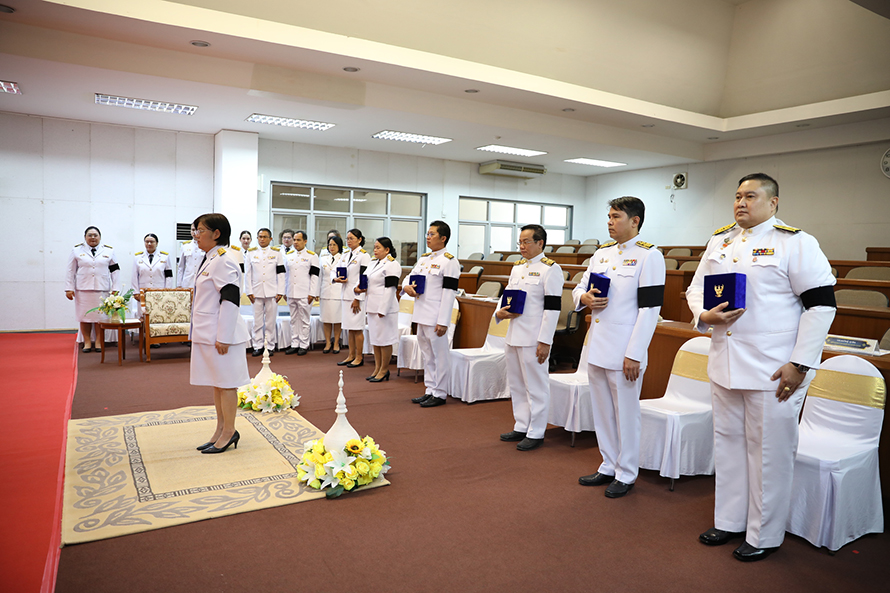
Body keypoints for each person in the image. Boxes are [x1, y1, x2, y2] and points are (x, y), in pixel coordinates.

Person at [686, 173, 836, 561]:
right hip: (725, 363)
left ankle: (764, 534)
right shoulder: (719, 241)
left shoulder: (795, 243)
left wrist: (800, 363)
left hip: (774, 370)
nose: (741, 203)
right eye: (737, 196)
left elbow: (821, 305)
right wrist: (703, 315)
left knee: (769, 452)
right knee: (729, 445)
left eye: (751, 196)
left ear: (773, 203)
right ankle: (730, 519)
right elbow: (695, 289)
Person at [573, 196, 665, 498]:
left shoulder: (649, 256)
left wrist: (634, 353)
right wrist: (583, 299)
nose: (610, 222)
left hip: (625, 349)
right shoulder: (601, 254)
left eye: (616, 217)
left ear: (634, 220)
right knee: (601, 411)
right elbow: (579, 288)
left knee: (626, 414)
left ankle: (627, 472)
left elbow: (649, 311)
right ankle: (608, 464)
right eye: (609, 216)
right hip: (598, 346)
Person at [496, 224, 563, 450]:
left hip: (534, 338)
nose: (522, 246)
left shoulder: (550, 269)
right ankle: (522, 424)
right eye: (520, 242)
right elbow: (507, 294)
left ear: (540, 243)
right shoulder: (517, 267)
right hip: (514, 334)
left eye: (526, 242)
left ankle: (536, 431)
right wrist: (499, 312)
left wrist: (545, 341)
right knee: (516, 384)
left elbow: (552, 309)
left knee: (536, 386)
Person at [190, 213, 251, 454]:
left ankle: (229, 431)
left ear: (216, 234)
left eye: (200, 230)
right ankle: (220, 429)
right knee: (218, 384)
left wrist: (223, 336)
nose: (196, 235)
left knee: (227, 385)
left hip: (223, 337)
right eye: (195, 230)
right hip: (209, 333)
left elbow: (231, 300)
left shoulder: (224, 260)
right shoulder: (209, 258)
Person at [403, 221, 460, 407]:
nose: (428, 237)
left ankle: (440, 393)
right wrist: (406, 287)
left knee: (439, 356)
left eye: (432, 234)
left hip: (436, 317)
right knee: (427, 355)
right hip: (421, 315)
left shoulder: (449, 261)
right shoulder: (424, 259)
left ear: (443, 238)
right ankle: (430, 389)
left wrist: (443, 321)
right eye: (427, 234)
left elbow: (449, 294)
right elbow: (409, 277)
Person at [65, 226, 121, 353]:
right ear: (85, 237)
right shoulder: (76, 250)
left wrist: (115, 287)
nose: (93, 238)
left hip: (102, 289)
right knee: (84, 317)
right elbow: (70, 270)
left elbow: (115, 270)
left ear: (100, 237)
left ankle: (99, 341)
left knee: (100, 317)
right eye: (90, 235)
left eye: (95, 235)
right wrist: (69, 288)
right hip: (83, 289)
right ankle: (87, 342)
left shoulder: (109, 251)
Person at [362, 237, 402, 382]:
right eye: (374, 247)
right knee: (376, 340)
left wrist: (383, 309)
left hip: (385, 308)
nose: (375, 250)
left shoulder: (392, 264)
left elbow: (390, 289)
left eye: (378, 248)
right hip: (372, 306)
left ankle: (384, 370)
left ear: (387, 250)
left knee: (385, 340)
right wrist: (357, 288)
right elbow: (364, 280)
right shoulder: (373, 263)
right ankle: (377, 368)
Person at [245, 228, 285, 356]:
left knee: (270, 321)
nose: (262, 239)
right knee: (257, 321)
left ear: (270, 239)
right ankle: (257, 345)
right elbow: (248, 274)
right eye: (260, 236)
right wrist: (249, 291)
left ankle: (270, 346)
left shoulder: (277, 253)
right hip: (256, 292)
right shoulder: (251, 253)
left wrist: (280, 291)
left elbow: (281, 273)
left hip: (272, 292)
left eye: (264, 237)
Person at [337, 229, 371, 368]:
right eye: (347, 238)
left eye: (352, 238)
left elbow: (364, 279)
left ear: (359, 239)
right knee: (349, 328)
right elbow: (337, 270)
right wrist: (336, 278)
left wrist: (358, 297)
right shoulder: (345, 255)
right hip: (346, 294)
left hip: (357, 296)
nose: (349, 241)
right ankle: (350, 355)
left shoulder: (364, 256)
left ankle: (359, 356)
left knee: (357, 328)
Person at [283, 230, 320, 355]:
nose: (295, 242)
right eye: (294, 240)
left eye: (298, 240)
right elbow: (285, 276)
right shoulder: (288, 256)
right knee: (293, 319)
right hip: (291, 292)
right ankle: (295, 343)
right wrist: (284, 291)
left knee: (304, 319)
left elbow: (315, 276)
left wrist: (312, 293)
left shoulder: (312, 256)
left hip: (305, 293)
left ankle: (304, 344)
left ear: (305, 241)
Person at [319, 235, 344, 354]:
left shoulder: (344, 258)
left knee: (337, 319)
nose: (332, 247)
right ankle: (328, 342)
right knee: (326, 319)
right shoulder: (323, 258)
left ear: (339, 246)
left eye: (334, 244)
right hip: (325, 291)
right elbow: (320, 276)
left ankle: (336, 343)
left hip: (338, 292)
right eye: (330, 245)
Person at [177, 224, 205, 289]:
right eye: (193, 230)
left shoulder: (205, 246)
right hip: (187, 281)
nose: (194, 232)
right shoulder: (185, 246)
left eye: (197, 230)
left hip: (202, 281)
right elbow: (181, 267)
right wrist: (179, 284)